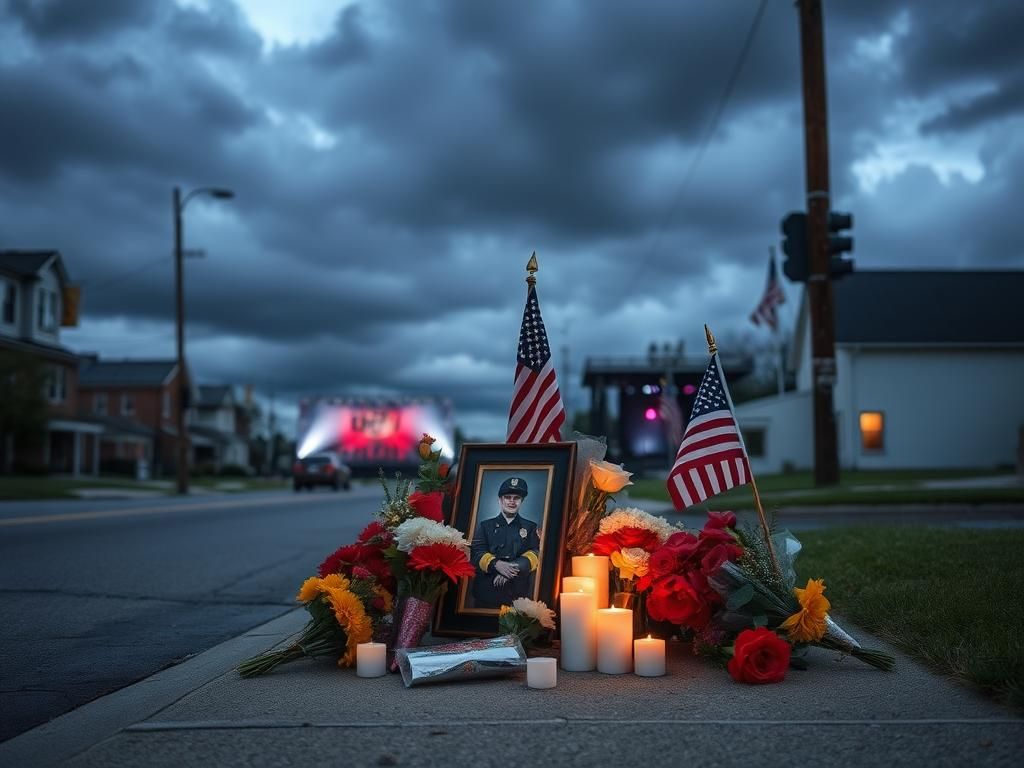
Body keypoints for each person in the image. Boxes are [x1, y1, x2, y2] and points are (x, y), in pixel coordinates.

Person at [469, 477, 541, 608]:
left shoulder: (530, 527)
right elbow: (476, 554)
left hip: (517, 597)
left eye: (516, 498)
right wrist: (496, 564)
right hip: (486, 595)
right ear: (500, 500)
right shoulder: (485, 526)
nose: (512, 501)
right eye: (507, 497)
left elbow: (535, 554)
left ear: (522, 501)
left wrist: (510, 569)